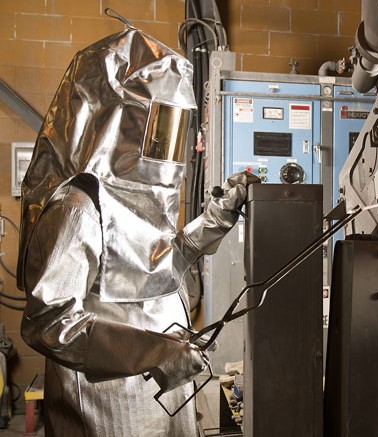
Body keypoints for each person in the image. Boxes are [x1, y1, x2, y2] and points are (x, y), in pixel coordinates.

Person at [16, 21, 257, 436]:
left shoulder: (138, 196)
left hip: (161, 400)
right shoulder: (80, 208)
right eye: (161, 126)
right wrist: (152, 353)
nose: (171, 146)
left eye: (178, 128)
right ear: (122, 122)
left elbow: (155, 267)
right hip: (107, 411)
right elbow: (49, 323)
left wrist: (218, 217)